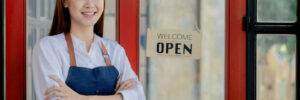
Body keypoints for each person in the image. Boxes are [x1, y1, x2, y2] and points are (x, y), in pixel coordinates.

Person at [32, 0, 145, 100]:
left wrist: (82, 98)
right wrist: (117, 97)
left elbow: (138, 95)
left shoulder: (115, 51)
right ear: (65, 2)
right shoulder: (48, 48)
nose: (90, 4)